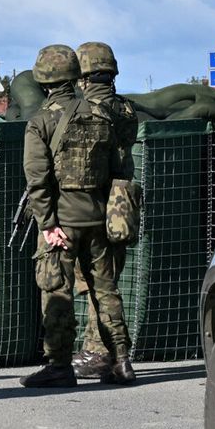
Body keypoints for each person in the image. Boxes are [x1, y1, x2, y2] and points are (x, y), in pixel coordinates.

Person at [18, 43, 134, 389]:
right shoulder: (103, 115)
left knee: (57, 292)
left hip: (62, 222)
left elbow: (37, 179)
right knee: (106, 290)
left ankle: (58, 365)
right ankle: (122, 361)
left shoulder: (41, 121)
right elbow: (117, 168)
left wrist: (48, 224)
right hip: (99, 218)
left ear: (42, 81)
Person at [70, 42, 139, 384]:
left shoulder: (87, 108)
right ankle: (103, 352)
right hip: (122, 201)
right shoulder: (124, 109)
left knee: (98, 283)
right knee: (109, 277)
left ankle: (100, 352)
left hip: (95, 201)